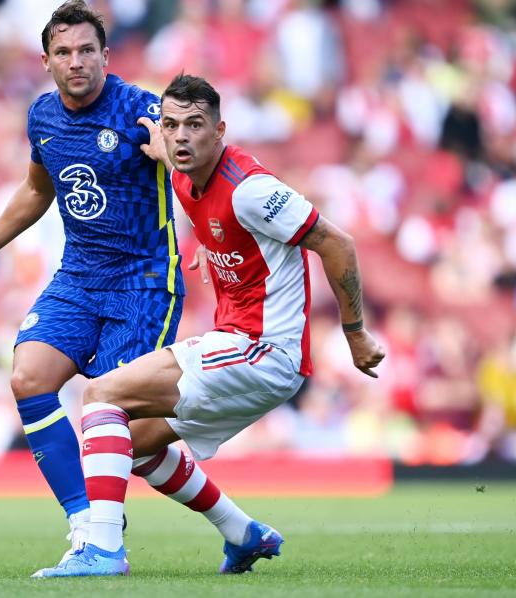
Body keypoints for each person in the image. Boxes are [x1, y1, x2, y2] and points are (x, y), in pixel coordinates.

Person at [34, 74, 386, 577]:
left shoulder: (251, 190)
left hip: (263, 351)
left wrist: (354, 335)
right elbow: (170, 160)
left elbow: (337, 244)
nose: (180, 136)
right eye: (172, 124)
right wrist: (210, 244)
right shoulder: (180, 165)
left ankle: (103, 549)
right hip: (244, 349)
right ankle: (243, 533)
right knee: (129, 444)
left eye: (194, 125)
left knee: (101, 396)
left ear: (220, 131)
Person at [0, 0, 185, 568]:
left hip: (143, 283)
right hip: (79, 277)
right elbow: (36, 190)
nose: (76, 62)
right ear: (46, 61)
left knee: (120, 422)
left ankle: (230, 521)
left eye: (86, 51)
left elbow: (198, 163)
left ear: (106, 55)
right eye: (63, 52)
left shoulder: (144, 110)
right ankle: (88, 524)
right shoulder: (43, 117)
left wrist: (172, 160)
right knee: (28, 376)